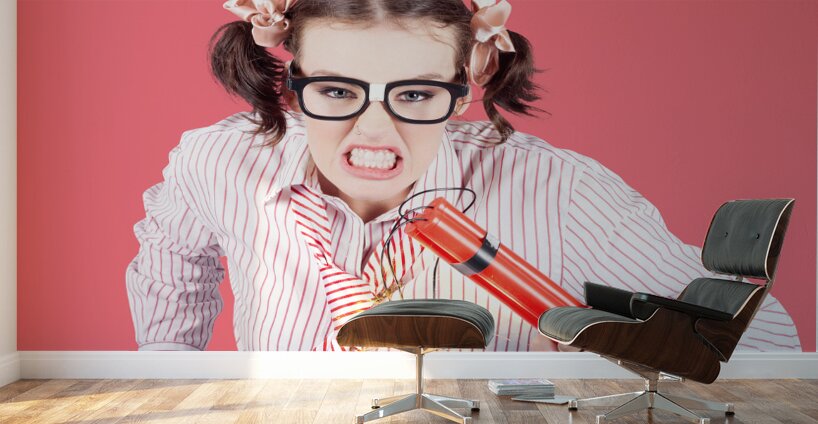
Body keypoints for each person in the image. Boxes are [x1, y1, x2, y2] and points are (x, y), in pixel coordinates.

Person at [125, 0, 801, 352]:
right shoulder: (219, 163)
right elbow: (171, 265)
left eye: (415, 95)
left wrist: (599, 357)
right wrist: (169, 373)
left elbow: (761, 340)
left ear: (468, 81)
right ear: (290, 77)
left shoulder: (562, 194)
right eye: (335, 91)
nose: (374, 131)